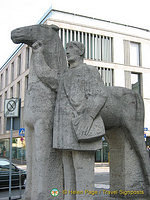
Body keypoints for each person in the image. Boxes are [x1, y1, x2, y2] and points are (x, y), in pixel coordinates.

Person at [53, 41, 107, 200]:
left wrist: (88, 117)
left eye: (71, 48)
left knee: (83, 174)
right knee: (68, 176)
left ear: (81, 51)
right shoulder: (64, 74)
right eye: (66, 48)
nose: (67, 51)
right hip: (64, 131)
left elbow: (100, 95)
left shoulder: (89, 71)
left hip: (81, 128)